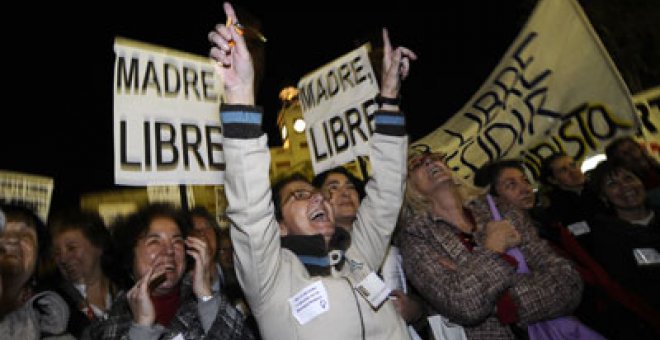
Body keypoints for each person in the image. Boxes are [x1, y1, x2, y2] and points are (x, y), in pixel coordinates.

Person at [209, 2, 416, 339]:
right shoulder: (270, 281)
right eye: (299, 195)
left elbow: (388, 191)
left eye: (316, 192)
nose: (319, 196)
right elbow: (249, 210)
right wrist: (240, 95)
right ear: (278, 226)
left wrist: (389, 98)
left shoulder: (359, 256)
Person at [397, 146, 584, 339]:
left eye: (434, 157)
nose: (429, 162)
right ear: (406, 185)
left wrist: (504, 304)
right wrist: (493, 249)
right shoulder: (415, 238)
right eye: (416, 163)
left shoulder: (501, 209)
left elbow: (569, 282)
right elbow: (463, 305)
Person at [475, 159, 660, 339]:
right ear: (493, 199)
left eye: (524, 180)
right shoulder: (506, 247)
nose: (525, 188)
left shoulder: (549, 224)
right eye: (511, 184)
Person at [85, 203, 254, 339]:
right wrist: (141, 329)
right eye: (154, 241)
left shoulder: (207, 304)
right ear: (130, 254)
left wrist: (205, 295)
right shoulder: (105, 328)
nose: (169, 250)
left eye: (177, 241)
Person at [311, 167, 426, 336]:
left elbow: (426, 301)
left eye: (350, 187)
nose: (345, 193)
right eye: (333, 187)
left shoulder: (393, 243)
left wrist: (414, 311)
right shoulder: (318, 260)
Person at [588, 161, 660, 313]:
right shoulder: (608, 240)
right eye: (613, 184)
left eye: (628, 178)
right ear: (603, 197)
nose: (625, 187)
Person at [0, 203, 75, 339]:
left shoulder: (54, 327)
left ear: (37, 257)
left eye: (25, 236)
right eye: (1, 232)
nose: (11, 239)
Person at [48, 208, 126, 337]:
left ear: (99, 246)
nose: (63, 259)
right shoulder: (53, 304)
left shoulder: (128, 290)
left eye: (71, 248)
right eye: (57, 253)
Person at [187, 206, 260, 337]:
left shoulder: (240, 278)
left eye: (207, 227)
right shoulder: (184, 289)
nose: (202, 234)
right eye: (195, 230)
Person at [539, 153, 603, 249]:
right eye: (563, 170)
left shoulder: (600, 188)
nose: (573, 172)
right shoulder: (556, 210)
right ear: (553, 180)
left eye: (573, 165)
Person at [605, 136, 660, 205]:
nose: (634, 155)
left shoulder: (654, 169)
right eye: (625, 154)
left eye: (633, 149)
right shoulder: (633, 188)